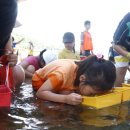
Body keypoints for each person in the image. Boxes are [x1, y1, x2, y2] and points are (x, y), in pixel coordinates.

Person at [32, 54, 116, 105]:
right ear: (82, 78)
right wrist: (65, 99)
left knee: (70, 96)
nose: (93, 96)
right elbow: (40, 93)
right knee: (63, 101)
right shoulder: (62, 73)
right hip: (40, 81)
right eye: (91, 93)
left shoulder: (86, 70)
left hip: (64, 83)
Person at [0, 0, 25, 88]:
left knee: (18, 73)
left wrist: (12, 59)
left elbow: (9, 57)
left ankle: (6, 93)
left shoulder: (6, 35)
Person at [112, 12, 130, 87]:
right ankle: (117, 96)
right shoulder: (128, 19)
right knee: (121, 69)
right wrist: (128, 55)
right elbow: (115, 45)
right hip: (121, 45)